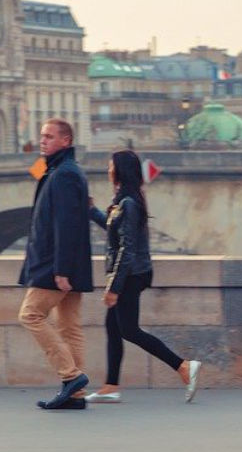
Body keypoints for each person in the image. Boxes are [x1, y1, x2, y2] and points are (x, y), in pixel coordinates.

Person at [83, 149, 202, 404]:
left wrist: (114, 287)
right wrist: (92, 211)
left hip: (130, 275)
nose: (108, 170)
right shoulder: (125, 200)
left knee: (129, 330)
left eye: (110, 166)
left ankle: (182, 366)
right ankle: (110, 386)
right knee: (113, 328)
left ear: (120, 171)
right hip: (130, 273)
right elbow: (115, 230)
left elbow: (127, 248)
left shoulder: (129, 202)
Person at [18, 118, 94, 410]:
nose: (43, 141)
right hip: (66, 262)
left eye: (49, 137)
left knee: (30, 315)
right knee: (69, 327)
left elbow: (66, 225)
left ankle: (71, 376)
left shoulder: (63, 175)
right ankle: (74, 396)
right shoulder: (62, 171)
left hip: (54, 264)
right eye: (42, 136)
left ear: (66, 141)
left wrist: (62, 269)